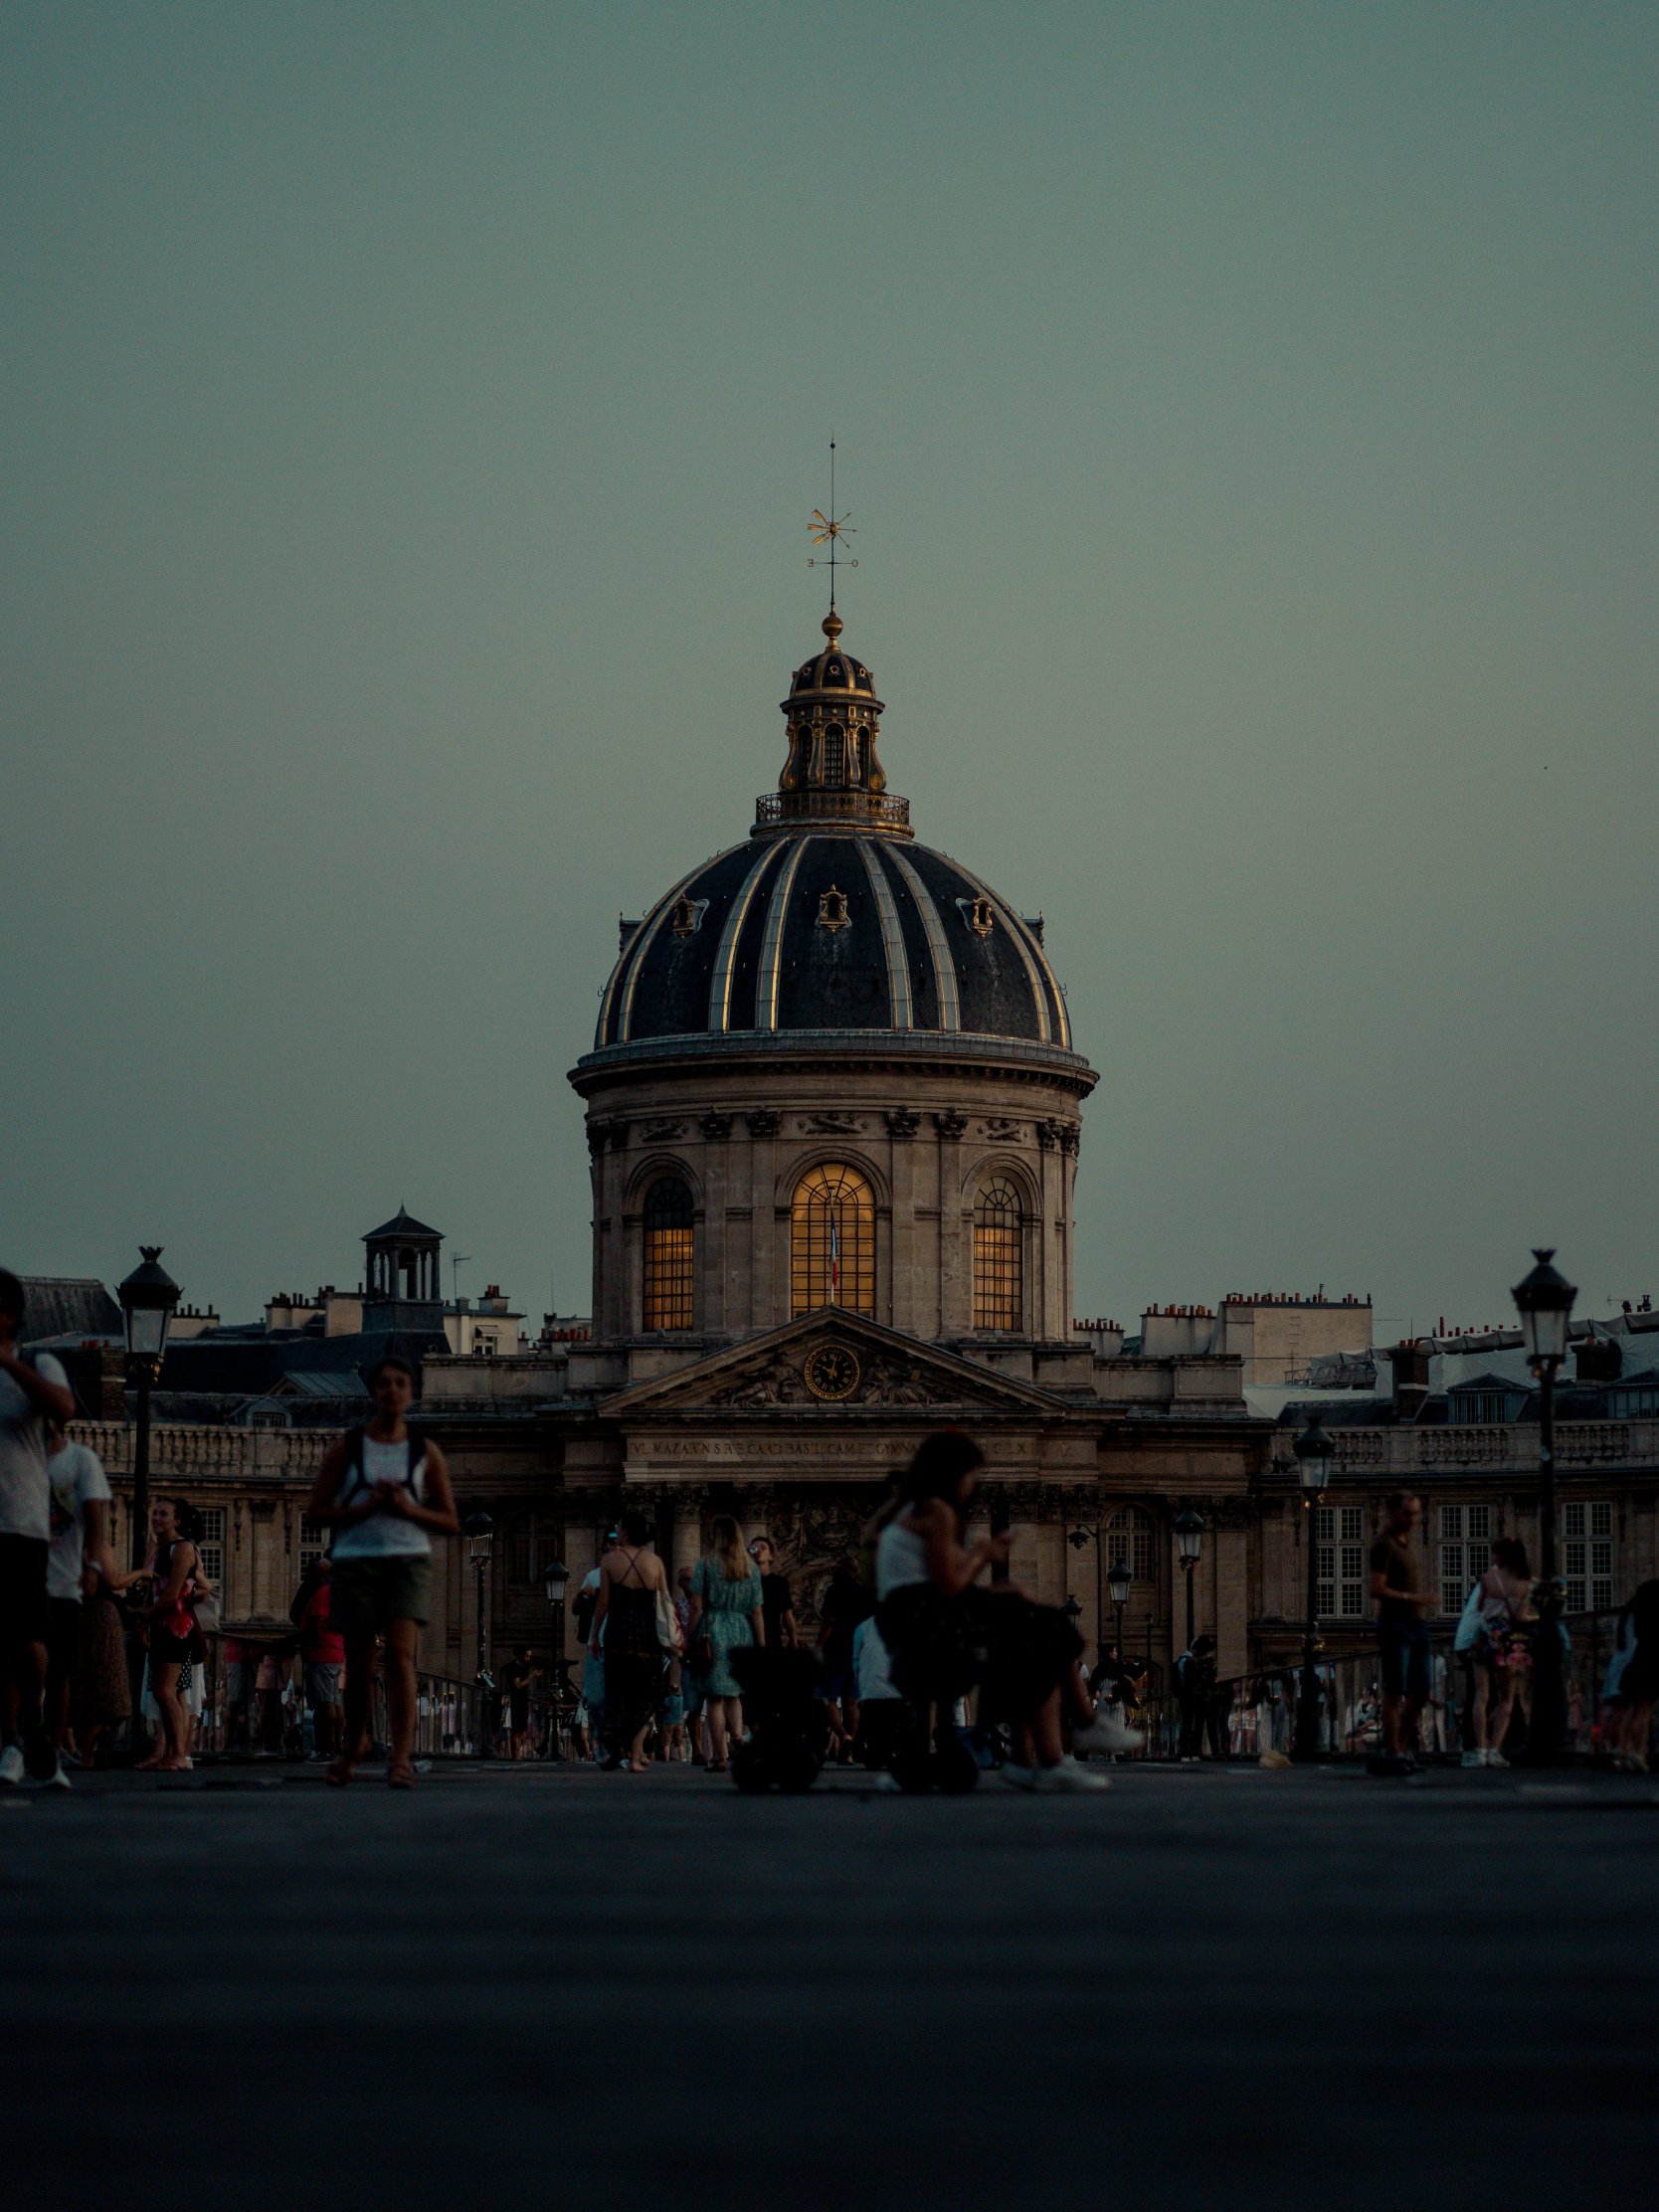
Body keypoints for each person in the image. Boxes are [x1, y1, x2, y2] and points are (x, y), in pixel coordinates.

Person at [872, 1430, 1119, 1792]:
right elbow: (950, 1586)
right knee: (1044, 1630)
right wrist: (983, 1553)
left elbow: (939, 1583)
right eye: (971, 1476)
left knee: (1028, 1621)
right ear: (952, 1473)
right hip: (926, 1626)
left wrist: (998, 1586)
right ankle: (1071, 1735)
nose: (972, 1486)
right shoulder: (937, 1511)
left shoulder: (910, 1511)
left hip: (910, 1625)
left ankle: (1043, 1751)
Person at [305, 1355, 459, 1788]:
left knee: (400, 1657)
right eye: (384, 1383)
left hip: (407, 1560)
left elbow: (450, 1519)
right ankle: (353, 1744)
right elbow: (316, 1511)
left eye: (400, 1383)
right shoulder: (348, 1448)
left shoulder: (424, 1451)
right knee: (358, 1661)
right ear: (373, 1393)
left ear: (411, 1392)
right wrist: (364, 1508)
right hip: (356, 1559)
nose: (392, 1390)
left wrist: (407, 1508)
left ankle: (401, 1758)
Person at [0, 1270, 77, 1787]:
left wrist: (7, 1363)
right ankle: (11, 1740)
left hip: (22, 1521)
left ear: (9, 1316)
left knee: (29, 1642)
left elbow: (64, 1409)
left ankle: (33, 1717)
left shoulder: (36, 1364)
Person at [43, 1415, 114, 1782]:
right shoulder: (16, 1457)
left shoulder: (80, 1460)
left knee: (58, 1671)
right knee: (20, 1666)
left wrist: (93, 1567)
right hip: (24, 1578)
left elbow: (95, 1518)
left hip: (65, 1581)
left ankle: (52, 1748)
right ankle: (16, 1743)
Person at [590, 1511, 670, 1771]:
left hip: (618, 1634)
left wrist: (594, 1635)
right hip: (647, 1635)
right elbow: (664, 1602)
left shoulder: (610, 1561)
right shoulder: (655, 1562)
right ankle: (635, 1759)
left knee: (617, 1692)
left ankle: (616, 1746)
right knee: (642, 1694)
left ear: (625, 1532)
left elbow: (603, 1603)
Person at [687, 1515, 764, 1771]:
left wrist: (688, 1636)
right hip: (742, 1631)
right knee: (734, 1693)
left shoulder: (706, 1564)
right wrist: (760, 1644)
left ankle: (720, 1756)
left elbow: (696, 1606)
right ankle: (739, 1735)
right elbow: (757, 1611)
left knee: (715, 1698)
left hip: (715, 1630)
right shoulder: (750, 1568)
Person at [1369, 1491, 1435, 1776]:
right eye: (1408, 1513)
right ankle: (1394, 1751)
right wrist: (1413, 1598)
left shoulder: (1407, 1543)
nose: (1413, 1519)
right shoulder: (1384, 1545)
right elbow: (1376, 1588)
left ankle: (1401, 1747)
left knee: (1422, 1691)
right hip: (1395, 1624)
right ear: (1393, 1512)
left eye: (1416, 1513)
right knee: (1394, 1692)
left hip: (1416, 1624)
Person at [137, 1497, 200, 1771]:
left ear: (178, 1521)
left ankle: (180, 1755)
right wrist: (144, 1618)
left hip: (177, 1627)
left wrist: (143, 1617)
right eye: (155, 1513)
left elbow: (171, 1595)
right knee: (162, 1692)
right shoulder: (161, 1549)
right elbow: (151, 1590)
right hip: (161, 1626)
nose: (157, 1518)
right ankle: (172, 1754)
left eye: (164, 1514)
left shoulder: (183, 1548)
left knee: (166, 1691)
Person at [1466, 1538, 1534, 1769]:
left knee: (1481, 1695)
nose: (1493, 1557)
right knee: (1506, 1698)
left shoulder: (1488, 1579)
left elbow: (1479, 1609)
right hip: (1508, 1640)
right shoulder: (1525, 1583)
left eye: (1496, 1553)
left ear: (1503, 1556)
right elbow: (1521, 1617)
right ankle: (1495, 1750)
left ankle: (1480, 1751)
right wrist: (1537, 1618)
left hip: (1484, 1637)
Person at [817, 1556, 872, 1763]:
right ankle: (849, 1752)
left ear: (842, 1570)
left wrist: (818, 1646)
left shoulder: (834, 1591)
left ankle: (843, 1736)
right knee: (851, 1702)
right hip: (857, 1652)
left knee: (828, 1700)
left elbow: (829, 1621)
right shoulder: (864, 1593)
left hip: (835, 1650)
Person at [291, 1556, 345, 1758]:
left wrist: (289, 1640)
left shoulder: (322, 1593)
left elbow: (314, 1627)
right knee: (334, 1702)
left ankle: (326, 1749)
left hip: (321, 1654)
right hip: (334, 1652)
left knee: (324, 1705)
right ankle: (336, 1747)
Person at [1604, 1580, 1659, 1771]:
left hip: (1636, 1663)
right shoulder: (1654, 1614)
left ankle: (1622, 1752)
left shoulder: (1635, 1613)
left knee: (1631, 1712)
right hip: (1651, 1664)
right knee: (1644, 1713)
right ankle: (1638, 1753)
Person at [851, 1610, 903, 1770]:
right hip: (894, 1694)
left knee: (871, 1721)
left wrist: (860, 1681)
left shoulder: (862, 1628)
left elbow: (855, 1660)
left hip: (871, 1693)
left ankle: (867, 1747)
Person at [749, 1537, 798, 1650]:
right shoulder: (744, 1581)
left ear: (770, 1556)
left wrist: (794, 1641)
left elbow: (787, 1615)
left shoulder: (779, 1582)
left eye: (763, 1548)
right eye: (753, 1548)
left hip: (772, 1638)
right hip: (747, 1638)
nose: (758, 1550)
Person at [1175, 1634, 1215, 1761]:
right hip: (1201, 1697)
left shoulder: (1188, 1662)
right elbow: (1210, 1681)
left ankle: (1185, 1753)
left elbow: (1185, 1680)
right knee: (1198, 1725)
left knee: (1187, 1724)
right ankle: (1194, 1752)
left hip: (1188, 1696)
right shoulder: (1209, 1663)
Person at [503, 1645, 537, 1759]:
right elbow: (518, 1685)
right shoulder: (514, 1668)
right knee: (516, 1730)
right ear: (520, 1656)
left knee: (521, 1729)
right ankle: (515, 1756)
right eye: (527, 1656)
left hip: (523, 1700)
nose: (529, 1659)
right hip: (517, 1701)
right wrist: (532, 1676)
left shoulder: (523, 1667)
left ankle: (517, 1755)